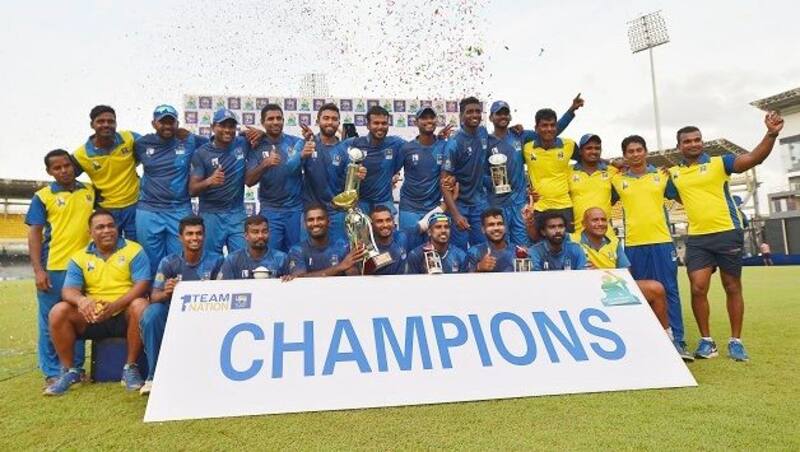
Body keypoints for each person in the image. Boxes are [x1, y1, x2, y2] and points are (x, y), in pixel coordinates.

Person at [669, 112, 784, 361]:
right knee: (698, 288)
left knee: (732, 286)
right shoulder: (674, 174)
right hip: (698, 237)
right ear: (679, 146)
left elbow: (754, 158)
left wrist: (771, 134)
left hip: (727, 233)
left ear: (702, 142)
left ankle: (735, 341)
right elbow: (674, 196)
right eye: (687, 141)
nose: (693, 144)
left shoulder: (720, 163)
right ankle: (707, 342)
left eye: (697, 139)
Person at [45, 210, 151, 395]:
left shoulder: (134, 250)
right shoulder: (79, 257)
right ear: (90, 233)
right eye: (100, 227)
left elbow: (142, 285)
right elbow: (68, 290)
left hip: (124, 315)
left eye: (111, 226)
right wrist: (82, 300)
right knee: (58, 311)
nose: (107, 231)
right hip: (93, 316)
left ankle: (130, 368)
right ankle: (69, 372)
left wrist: (115, 307)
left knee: (141, 305)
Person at [572, 208, 694, 361]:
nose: (600, 223)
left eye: (603, 220)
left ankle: (668, 340)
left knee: (656, 288)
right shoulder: (572, 241)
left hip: (611, 288)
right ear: (584, 223)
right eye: (595, 220)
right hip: (583, 290)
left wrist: (600, 272)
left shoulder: (614, 242)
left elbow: (626, 274)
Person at [611, 135, 687, 356]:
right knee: (638, 293)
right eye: (630, 151)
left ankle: (677, 340)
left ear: (645, 151)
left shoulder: (661, 177)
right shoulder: (617, 181)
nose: (635, 154)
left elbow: (683, 197)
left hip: (662, 242)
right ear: (624, 155)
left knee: (670, 290)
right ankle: (647, 340)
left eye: (638, 150)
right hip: (633, 245)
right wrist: (615, 165)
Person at [25, 149, 95, 387]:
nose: (64, 170)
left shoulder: (90, 191)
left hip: (84, 269)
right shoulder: (42, 196)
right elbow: (34, 233)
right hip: (53, 268)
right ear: (49, 171)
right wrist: (38, 271)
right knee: (49, 323)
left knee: (77, 320)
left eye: (67, 165)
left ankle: (75, 369)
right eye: (57, 167)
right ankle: (53, 372)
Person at [139, 215, 223, 395]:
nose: (195, 238)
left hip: (208, 314)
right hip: (175, 314)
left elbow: (225, 295)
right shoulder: (169, 262)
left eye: (199, 233)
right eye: (190, 234)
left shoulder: (217, 261)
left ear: (204, 236)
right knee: (152, 314)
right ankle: (153, 376)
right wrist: (166, 292)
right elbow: (154, 296)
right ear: (180, 237)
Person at [135, 105, 209, 276]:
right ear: (153, 123)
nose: (167, 126)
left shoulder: (189, 140)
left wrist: (250, 135)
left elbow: (216, 143)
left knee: (182, 259)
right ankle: (156, 299)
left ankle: (180, 298)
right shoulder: (141, 144)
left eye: (171, 122)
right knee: (151, 261)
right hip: (149, 210)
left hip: (179, 209)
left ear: (177, 123)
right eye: (162, 122)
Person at [189, 108, 251, 258]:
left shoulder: (242, 143)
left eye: (231, 126)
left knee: (241, 258)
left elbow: (261, 136)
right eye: (222, 126)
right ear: (212, 127)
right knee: (211, 261)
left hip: (236, 213)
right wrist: (209, 181)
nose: (227, 130)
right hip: (211, 215)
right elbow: (192, 190)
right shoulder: (201, 153)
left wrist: (259, 132)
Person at [72, 105, 140, 240]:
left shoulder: (129, 138)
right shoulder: (81, 154)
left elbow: (155, 146)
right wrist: (90, 192)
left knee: (137, 249)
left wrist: (178, 133)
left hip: (135, 205)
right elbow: (66, 179)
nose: (106, 125)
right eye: (101, 121)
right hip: (107, 210)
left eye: (110, 121)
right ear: (92, 124)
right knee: (110, 249)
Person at [245, 104, 306, 252]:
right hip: (270, 210)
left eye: (279, 118)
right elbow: (249, 181)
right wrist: (265, 164)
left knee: (297, 254)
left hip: (295, 210)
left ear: (284, 120)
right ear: (263, 122)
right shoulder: (257, 146)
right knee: (272, 256)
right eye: (270, 119)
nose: (275, 122)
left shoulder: (296, 142)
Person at [336, 105, 406, 215]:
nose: (380, 127)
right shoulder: (353, 143)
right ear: (368, 125)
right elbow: (334, 162)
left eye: (384, 123)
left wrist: (439, 139)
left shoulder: (396, 143)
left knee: (386, 231)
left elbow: (417, 148)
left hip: (384, 202)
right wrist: (351, 173)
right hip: (359, 203)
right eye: (376, 123)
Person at [442, 97, 491, 249]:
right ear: (461, 115)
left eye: (477, 111)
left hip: (479, 204)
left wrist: (515, 130)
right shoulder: (454, 143)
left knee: (483, 249)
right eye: (470, 112)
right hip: (460, 205)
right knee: (459, 251)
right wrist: (456, 215)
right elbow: (443, 183)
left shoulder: (483, 132)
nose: (474, 115)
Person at [397, 107, 448, 249]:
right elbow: (392, 171)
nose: (428, 121)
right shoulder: (406, 148)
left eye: (431, 117)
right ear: (416, 122)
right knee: (408, 250)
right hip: (409, 208)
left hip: (433, 208)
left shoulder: (444, 146)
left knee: (434, 251)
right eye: (424, 118)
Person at [521, 108, 579, 232]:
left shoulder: (569, 145)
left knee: (567, 247)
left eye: (552, 125)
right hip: (539, 207)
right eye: (544, 125)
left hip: (564, 206)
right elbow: (514, 169)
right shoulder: (526, 149)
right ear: (536, 128)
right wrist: (526, 189)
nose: (549, 129)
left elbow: (588, 159)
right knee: (540, 247)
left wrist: (612, 163)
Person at [300, 103, 350, 243]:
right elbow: (291, 173)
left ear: (339, 122)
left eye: (334, 119)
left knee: (339, 252)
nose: (330, 122)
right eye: (326, 118)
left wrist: (359, 176)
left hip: (336, 212)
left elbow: (349, 185)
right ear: (317, 121)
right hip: (310, 211)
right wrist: (301, 156)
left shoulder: (345, 150)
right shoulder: (307, 144)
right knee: (308, 252)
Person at [287, 204, 365, 277]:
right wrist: (339, 267)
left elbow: (353, 277)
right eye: (310, 220)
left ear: (328, 222)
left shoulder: (343, 247)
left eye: (320, 219)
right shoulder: (297, 250)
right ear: (305, 224)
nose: (315, 223)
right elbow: (299, 279)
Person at [569, 134, 619, 235]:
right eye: (589, 148)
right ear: (580, 151)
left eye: (597, 148)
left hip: (606, 235)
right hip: (578, 235)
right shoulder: (568, 172)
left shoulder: (613, 172)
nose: (593, 151)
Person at [219, 215, 289, 279]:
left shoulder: (281, 259)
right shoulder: (232, 260)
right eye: (255, 232)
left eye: (264, 231)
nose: (260, 236)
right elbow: (226, 288)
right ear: (246, 236)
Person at [467, 208, 516, 272]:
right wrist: (479, 268)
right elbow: (465, 280)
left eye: (500, 224)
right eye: (491, 225)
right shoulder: (474, 253)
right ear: (483, 229)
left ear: (505, 228)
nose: (496, 228)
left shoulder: (516, 252)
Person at [369, 205, 409, 275]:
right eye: (379, 221)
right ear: (371, 225)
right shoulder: (365, 248)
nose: (385, 225)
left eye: (388, 220)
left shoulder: (403, 237)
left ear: (393, 222)